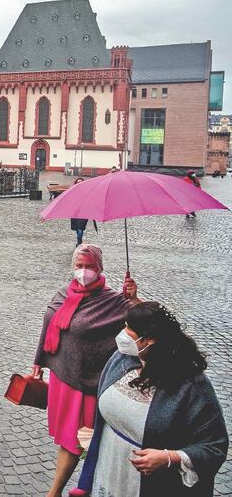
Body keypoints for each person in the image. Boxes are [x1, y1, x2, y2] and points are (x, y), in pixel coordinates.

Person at [70, 302, 228, 497]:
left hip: (151, 484)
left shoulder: (192, 385)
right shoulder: (121, 359)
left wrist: (169, 457)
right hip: (109, 464)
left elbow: (214, 445)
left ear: (149, 340)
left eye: (129, 328)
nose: (123, 334)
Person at [33, 244, 140, 497]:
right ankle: (80, 488)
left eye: (89, 267)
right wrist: (39, 361)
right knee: (69, 439)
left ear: (99, 268)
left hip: (87, 383)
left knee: (77, 440)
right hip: (62, 377)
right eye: (79, 266)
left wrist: (134, 299)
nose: (83, 272)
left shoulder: (115, 302)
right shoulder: (65, 293)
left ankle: (57, 491)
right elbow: (49, 324)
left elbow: (149, 321)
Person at [70, 177, 89, 246]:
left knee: (80, 228)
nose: (79, 184)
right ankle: (79, 241)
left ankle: (79, 242)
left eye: (81, 182)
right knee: (77, 228)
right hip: (75, 212)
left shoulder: (87, 191)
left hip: (84, 212)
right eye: (78, 182)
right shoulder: (73, 191)